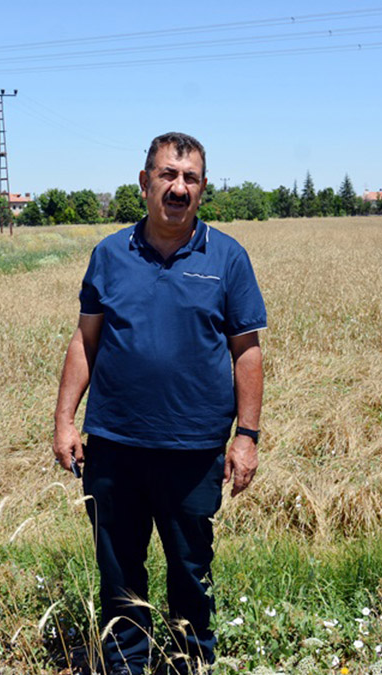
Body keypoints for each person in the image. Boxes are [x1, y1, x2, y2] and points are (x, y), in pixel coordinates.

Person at [52, 132, 266, 675]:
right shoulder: (110, 254)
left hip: (193, 450)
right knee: (119, 572)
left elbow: (246, 351)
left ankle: (190, 663)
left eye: (190, 178)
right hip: (114, 446)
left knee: (190, 570)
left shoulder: (227, 257)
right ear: (145, 182)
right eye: (168, 175)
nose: (178, 187)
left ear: (203, 188)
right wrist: (64, 421)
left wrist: (246, 437)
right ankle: (126, 665)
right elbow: (85, 340)